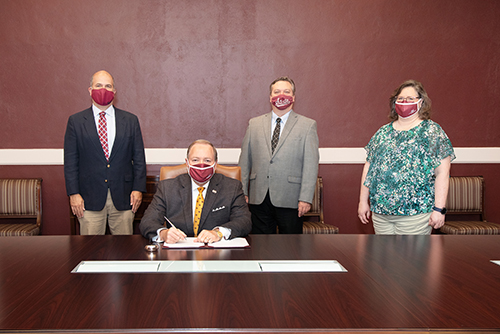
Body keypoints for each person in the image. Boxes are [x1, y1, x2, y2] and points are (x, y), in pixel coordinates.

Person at [358, 79, 455, 235]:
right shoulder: (382, 133)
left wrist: (439, 209)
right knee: (381, 259)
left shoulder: (432, 132)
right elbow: (369, 169)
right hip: (381, 214)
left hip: (415, 215)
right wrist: (363, 201)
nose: (404, 102)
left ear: (421, 102)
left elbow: (442, 173)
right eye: (401, 99)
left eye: (410, 99)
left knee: (410, 259)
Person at [64, 70, 146, 235]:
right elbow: (71, 161)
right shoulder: (76, 122)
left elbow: (139, 159)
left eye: (108, 86)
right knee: (89, 251)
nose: (103, 89)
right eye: (98, 85)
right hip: (88, 199)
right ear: (90, 90)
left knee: (124, 252)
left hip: (124, 198)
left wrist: (138, 189)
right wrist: (74, 193)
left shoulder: (130, 121)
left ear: (114, 92)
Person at [238, 76, 319, 234]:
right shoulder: (254, 124)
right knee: (260, 246)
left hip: (291, 199)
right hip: (258, 198)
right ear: (270, 97)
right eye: (277, 92)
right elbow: (244, 161)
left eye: (286, 91)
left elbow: (311, 165)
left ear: (293, 97)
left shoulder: (308, 125)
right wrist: (242, 192)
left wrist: (306, 198)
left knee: (290, 249)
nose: (281, 95)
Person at [140, 140, 251, 243]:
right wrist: (163, 234)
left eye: (207, 160)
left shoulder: (231, 187)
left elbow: (244, 221)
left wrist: (218, 233)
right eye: (195, 160)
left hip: (216, 253)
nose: (201, 165)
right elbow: (147, 221)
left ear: (215, 164)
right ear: (187, 163)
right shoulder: (168, 187)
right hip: (178, 254)